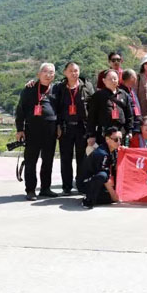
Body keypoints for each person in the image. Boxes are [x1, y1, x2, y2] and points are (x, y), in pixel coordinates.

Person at [15, 63, 59, 200]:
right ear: (38, 74)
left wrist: (59, 127)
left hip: (50, 129)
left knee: (48, 160)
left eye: (51, 72)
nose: (48, 75)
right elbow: (20, 110)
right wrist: (20, 129)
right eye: (45, 71)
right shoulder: (29, 89)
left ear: (54, 75)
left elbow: (61, 110)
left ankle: (45, 188)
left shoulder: (57, 89)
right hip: (32, 129)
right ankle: (30, 190)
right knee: (30, 160)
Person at [53, 61, 94, 195]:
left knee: (82, 158)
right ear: (65, 72)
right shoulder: (59, 88)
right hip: (65, 127)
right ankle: (66, 186)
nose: (73, 73)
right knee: (66, 158)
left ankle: (81, 184)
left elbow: (92, 107)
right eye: (70, 71)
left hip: (82, 127)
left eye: (76, 70)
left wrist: (91, 129)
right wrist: (58, 125)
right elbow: (55, 108)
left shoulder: (86, 86)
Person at [86, 69, 134, 148]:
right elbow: (92, 116)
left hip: (120, 132)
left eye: (115, 78)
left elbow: (129, 114)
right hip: (104, 132)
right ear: (104, 81)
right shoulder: (98, 95)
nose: (113, 81)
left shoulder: (124, 94)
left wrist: (129, 131)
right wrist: (91, 135)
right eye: (110, 79)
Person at [78, 126, 121, 209]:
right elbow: (105, 179)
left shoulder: (113, 150)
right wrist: (113, 195)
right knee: (103, 175)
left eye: (120, 139)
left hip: (97, 181)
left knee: (111, 197)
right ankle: (88, 200)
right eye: (116, 139)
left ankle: (95, 196)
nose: (119, 142)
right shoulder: (102, 153)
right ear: (107, 140)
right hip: (85, 182)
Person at [120, 69, 143, 137]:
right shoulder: (121, 92)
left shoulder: (131, 90)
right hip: (129, 126)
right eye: (135, 77)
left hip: (136, 124)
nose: (136, 80)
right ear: (131, 78)